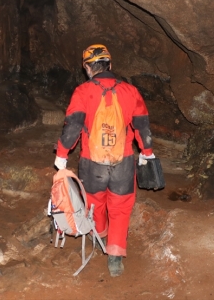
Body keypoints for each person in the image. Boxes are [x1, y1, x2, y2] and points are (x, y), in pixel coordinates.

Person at [53, 44, 155, 277]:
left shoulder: (82, 92)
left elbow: (73, 128)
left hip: (92, 164)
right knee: (120, 207)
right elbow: (142, 126)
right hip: (123, 162)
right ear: (110, 65)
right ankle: (115, 258)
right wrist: (147, 152)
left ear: (88, 67)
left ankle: (99, 236)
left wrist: (61, 154)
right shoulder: (130, 91)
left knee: (94, 203)